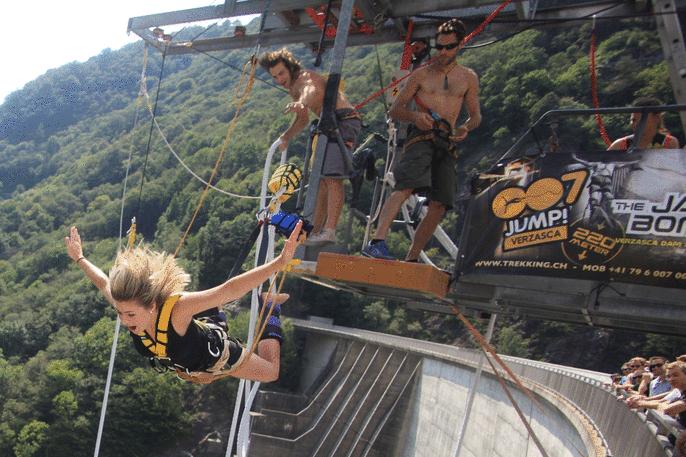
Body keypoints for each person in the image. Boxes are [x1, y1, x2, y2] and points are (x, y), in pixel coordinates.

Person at [65, 220, 305, 383]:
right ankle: (214, 314)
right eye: (120, 313)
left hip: (218, 354)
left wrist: (280, 262)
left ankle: (272, 304)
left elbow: (229, 290)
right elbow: (103, 283)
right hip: (193, 347)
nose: (125, 321)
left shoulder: (176, 310)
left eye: (130, 315)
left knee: (271, 372)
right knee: (208, 311)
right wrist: (80, 258)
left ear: (151, 306)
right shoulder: (130, 305)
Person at [362, 19, 482, 262]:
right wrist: (415, 115)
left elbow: (476, 115)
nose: (443, 52)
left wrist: (466, 127)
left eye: (449, 47)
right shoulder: (421, 75)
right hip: (421, 136)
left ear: (459, 46)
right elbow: (396, 109)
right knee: (405, 186)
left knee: (440, 203)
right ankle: (377, 241)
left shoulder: (468, 78)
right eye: (439, 47)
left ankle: (412, 258)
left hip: (446, 140)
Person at [256, 48, 362, 245]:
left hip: (342, 121)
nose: (279, 79)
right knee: (320, 181)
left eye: (282, 73)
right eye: (275, 76)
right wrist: (286, 136)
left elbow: (310, 91)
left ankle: (329, 230)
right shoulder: (293, 87)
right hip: (330, 125)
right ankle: (314, 230)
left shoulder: (305, 77)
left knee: (331, 177)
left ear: (290, 68)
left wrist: (302, 102)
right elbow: (303, 119)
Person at [608, 97, 681, 150]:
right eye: (633, 120)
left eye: (641, 120)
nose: (636, 124)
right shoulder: (620, 144)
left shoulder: (669, 142)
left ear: (657, 118)